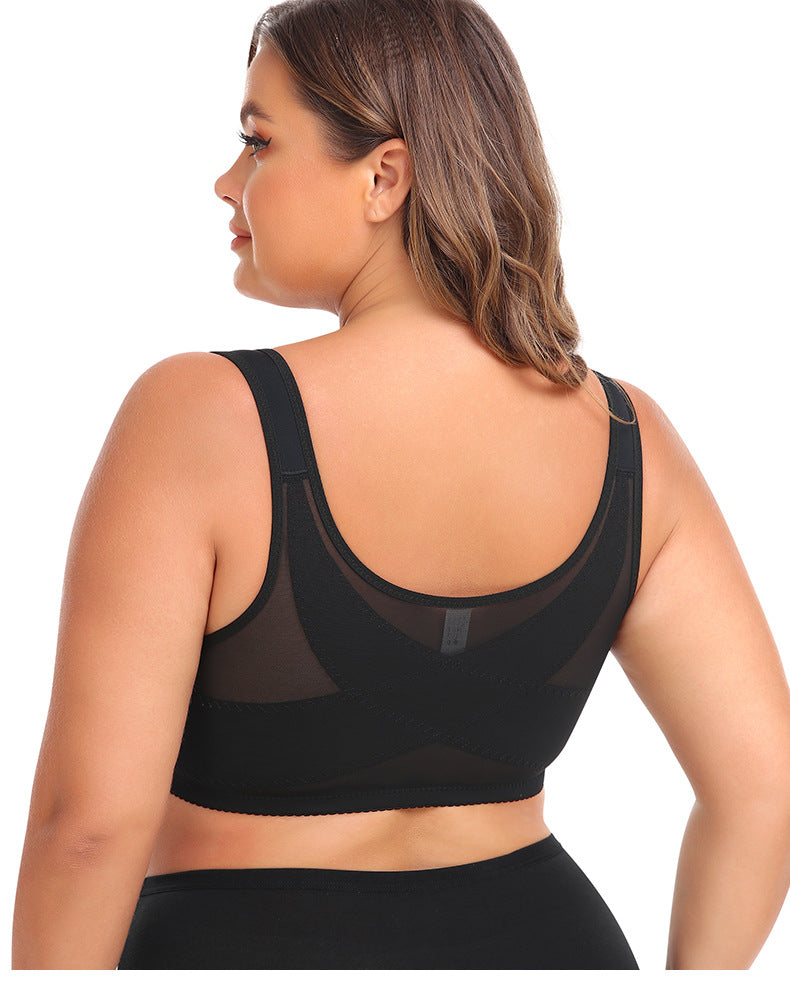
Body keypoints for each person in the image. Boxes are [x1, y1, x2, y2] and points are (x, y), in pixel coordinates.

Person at [11, 0, 790, 969]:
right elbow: (766, 788)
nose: (226, 182)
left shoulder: (201, 416)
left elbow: (86, 829)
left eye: (257, 142)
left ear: (384, 177)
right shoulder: (629, 440)